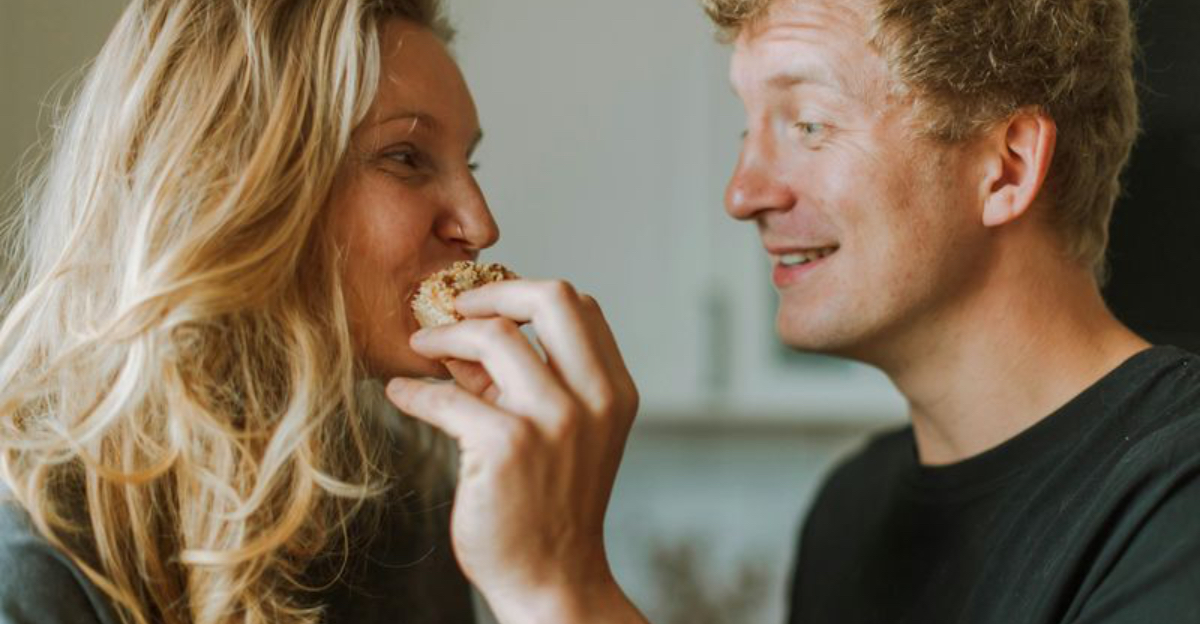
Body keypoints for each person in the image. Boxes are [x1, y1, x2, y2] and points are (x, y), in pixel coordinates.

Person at [389, 0, 1200, 622]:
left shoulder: (1176, 500)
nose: (742, 194)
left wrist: (562, 588)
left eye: (808, 124)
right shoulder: (852, 511)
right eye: (749, 129)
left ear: (1005, 167)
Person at [0, 1, 636, 623]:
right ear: (238, 185)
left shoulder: (405, 504)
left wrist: (556, 581)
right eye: (406, 158)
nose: (480, 223)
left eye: (468, 163)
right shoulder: (35, 556)